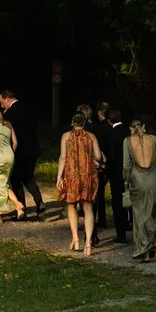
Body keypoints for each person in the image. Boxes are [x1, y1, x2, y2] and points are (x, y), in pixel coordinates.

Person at [57, 105, 104, 254]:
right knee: (88, 207)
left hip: (71, 175)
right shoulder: (91, 136)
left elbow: (63, 157)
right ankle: (88, 243)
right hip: (88, 175)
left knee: (71, 205)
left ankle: (76, 238)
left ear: (72, 122)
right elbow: (98, 157)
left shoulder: (66, 136)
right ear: (84, 122)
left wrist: (59, 176)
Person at [124, 118, 156, 260]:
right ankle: (151, 240)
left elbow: (126, 165)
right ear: (143, 127)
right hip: (152, 179)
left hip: (137, 179)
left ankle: (144, 249)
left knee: (138, 214)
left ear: (131, 128)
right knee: (149, 211)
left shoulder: (127, 141)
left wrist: (126, 180)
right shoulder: (154, 139)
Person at [0, 88, 44, 219]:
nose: (1, 106)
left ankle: (22, 210)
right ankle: (39, 201)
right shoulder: (29, 108)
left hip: (18, 151)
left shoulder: (8, 114)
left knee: (16, 179)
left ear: (7, 99)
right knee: (28, 176)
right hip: (33, 149)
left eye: (2, 102)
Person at [93, 101, 130, 243]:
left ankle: (121, 233)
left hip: (116, 172)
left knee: (117, 202)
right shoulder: (127, 131)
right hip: (130, 170)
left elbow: (110, 156)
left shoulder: (111, 134)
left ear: (109, 120)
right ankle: (129, 222)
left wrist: (104, 168)